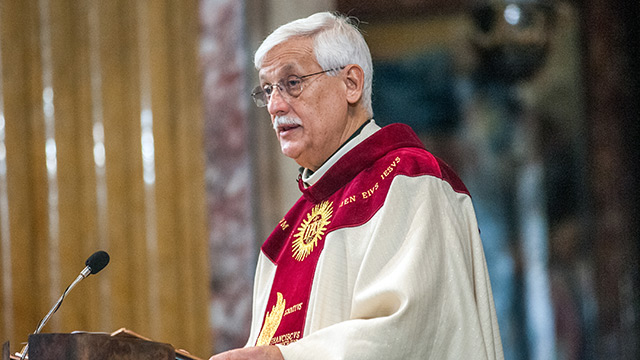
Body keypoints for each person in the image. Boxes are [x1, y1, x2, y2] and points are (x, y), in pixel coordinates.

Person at [209, 11, 504, 360]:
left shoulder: (409, 180)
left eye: (292, 83)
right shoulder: (284, 237)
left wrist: (283, 357)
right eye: (268, 89)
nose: (274, 105)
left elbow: (417, 333)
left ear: (351, 83)